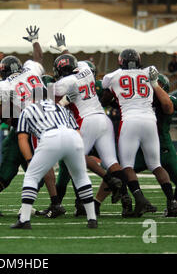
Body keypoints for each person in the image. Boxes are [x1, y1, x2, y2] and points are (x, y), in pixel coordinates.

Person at [0, 26, 64, 218]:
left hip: (27, 125)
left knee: (12, 171)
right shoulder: (31, 70)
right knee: (42, 165)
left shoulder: (3, 86)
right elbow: (39, 58)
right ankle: (53, 203)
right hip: (47, 121)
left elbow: (1, 112)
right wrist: (35, 40)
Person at [51, 33, 129, 216]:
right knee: (111, 161)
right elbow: (74, 62)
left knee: (76, 157)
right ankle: (126, 198)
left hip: (86, 121)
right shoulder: (86, 68)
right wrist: (64, 49)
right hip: (103, 118)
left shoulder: (64, 82)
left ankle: (109, 180)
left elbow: (49, 101)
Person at [101, 49, 177, 217]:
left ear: (121, 61)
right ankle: (172, 201)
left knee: (127, 165)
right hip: (150, 120)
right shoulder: (148, 71)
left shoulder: (112, 76)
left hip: (130, 120)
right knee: (156, 165)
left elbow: (105, 94)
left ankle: (140, 198)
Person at [12, 87, 97, 229]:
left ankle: (24, 220)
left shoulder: (28, 110)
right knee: (81, 177)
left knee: (31, 176)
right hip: (73, 137)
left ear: (32, 99)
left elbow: (22, 138)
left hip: (50, 136)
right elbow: (77, 131)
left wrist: (29, 160)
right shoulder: (62, 109)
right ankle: (92, 219)